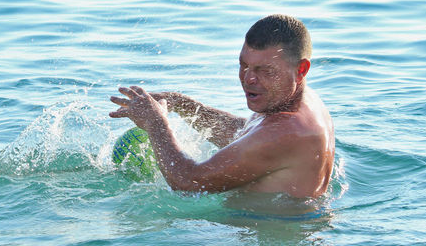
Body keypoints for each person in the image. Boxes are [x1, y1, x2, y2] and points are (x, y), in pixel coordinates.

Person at [109, 14, 334, 199]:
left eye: (266, 71)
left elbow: (188, 182)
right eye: (244, 65)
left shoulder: (289, 130)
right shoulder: (300, 101)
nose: (248, 79)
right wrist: (182, 104)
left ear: (301, 69)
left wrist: (155, 124)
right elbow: (246, 134)